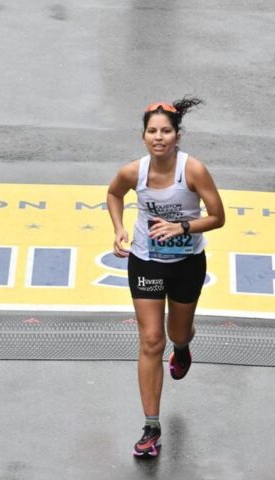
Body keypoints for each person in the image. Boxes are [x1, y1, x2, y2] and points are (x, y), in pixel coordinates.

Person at [106, 97, 225, 458]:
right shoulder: (132, 172)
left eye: (166, 131)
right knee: (152, 340)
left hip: (188, 262)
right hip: (146, 261)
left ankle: (184, 346)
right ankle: (151, 428)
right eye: (152, 131)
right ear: (144, 136)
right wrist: (118, 228)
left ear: (177, 135)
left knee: (176, 333)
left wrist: (182, 226)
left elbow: (218, 217)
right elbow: (113, 194)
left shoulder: (194, 171)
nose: (159, 137)